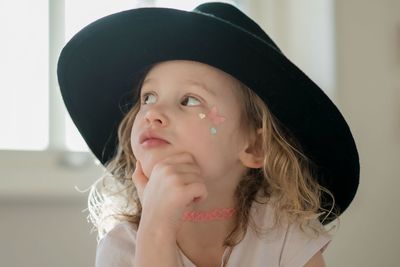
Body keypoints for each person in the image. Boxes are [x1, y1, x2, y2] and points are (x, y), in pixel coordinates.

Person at [57, 2, 360, 267]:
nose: (151, 113)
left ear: (254, 146)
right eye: (148, 96)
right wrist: (156, 228)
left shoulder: (282, 232)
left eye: (189, 100)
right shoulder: (123, 247)